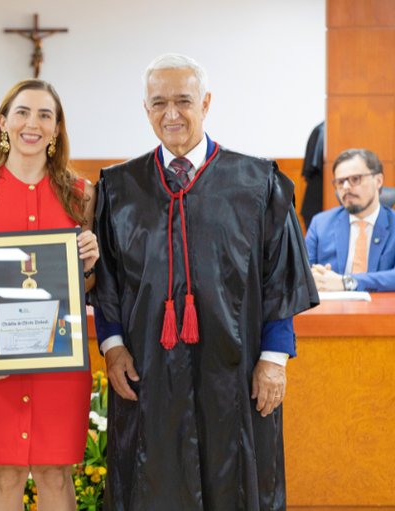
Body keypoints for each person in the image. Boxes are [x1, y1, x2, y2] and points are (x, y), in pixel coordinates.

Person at [90, 54, 319, 510]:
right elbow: (107, 278)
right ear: (146, 108)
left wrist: (274, 360)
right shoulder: (118, 187)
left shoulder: (257, 181)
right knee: (152, 479)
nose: (171, 113)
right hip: (149, 371)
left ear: (206, 103)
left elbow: (281, 277)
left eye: (183, 100)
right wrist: (112, 346)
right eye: (159, 103)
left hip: (234, 370)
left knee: (235, 481)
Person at [0, 79, 100, 511]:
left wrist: (89, 263)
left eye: (45, 115)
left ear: (56, 130)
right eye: (22, 112)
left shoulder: (81, 195)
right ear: (3, 122)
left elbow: (83, 287)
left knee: (55, 474)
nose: (33, 123)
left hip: (60, 362)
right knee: (6, 473)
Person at [305, 148, 395, 292]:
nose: (346, 187)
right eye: (340, 182)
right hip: (332, 311)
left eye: (355, 179)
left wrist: (347, 282)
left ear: (378, 181)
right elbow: (300, 273)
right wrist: (315, 277)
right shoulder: (320, 224)